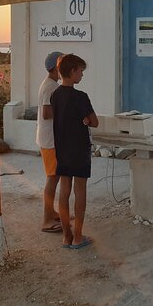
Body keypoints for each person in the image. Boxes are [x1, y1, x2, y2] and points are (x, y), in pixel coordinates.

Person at [51, 54, 99, 249]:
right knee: (80, 193)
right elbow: (95, 121)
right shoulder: (80, 97)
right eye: (80, 71)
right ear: (72, 72)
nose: (82, 75)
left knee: (64, 192)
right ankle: (78, 236)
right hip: (78, 149)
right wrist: (86, 120)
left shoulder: (55, 94)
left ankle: (66, 236)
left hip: (61, 148)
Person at [36, 51, 64, 233]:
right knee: (52, 179)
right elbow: (47, 113)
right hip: (50, 140)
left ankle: (52, 212)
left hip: (50, 140)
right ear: (56, 67)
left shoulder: (50, 84)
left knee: (55, 177)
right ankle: (47, 220)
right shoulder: (51, 87)